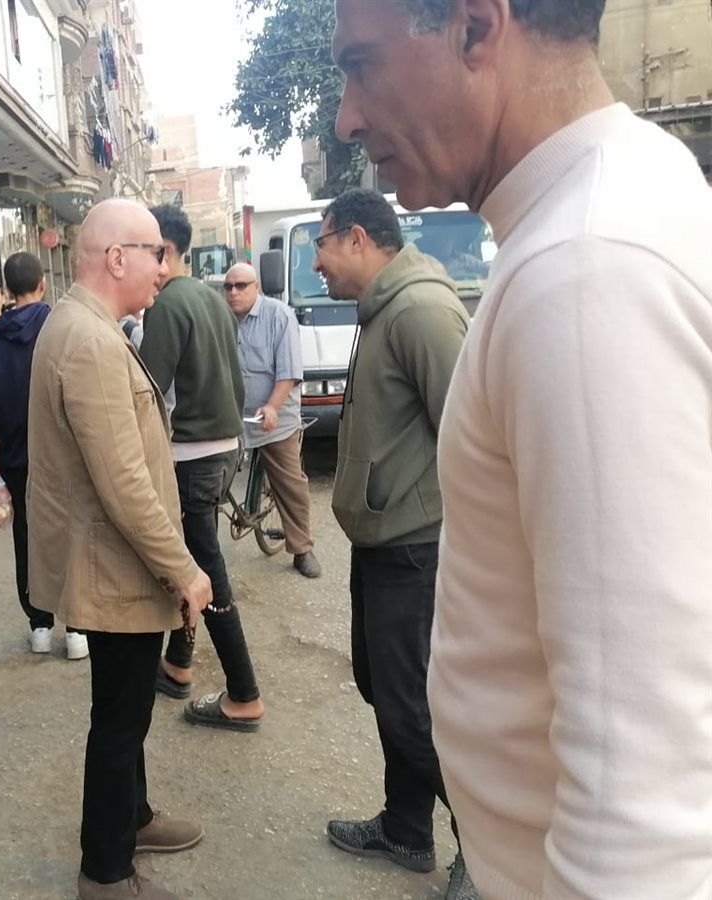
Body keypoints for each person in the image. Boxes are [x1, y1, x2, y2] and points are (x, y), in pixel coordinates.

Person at [332, 2, 712, 898]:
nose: (348, 116)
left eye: (361, 63)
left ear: (473, 28)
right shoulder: (615, 198)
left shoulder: (583, 271)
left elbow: (641, 794)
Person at [28, 199, 211, 900]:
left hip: (115, 561)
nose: (164, 268)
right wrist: (183, 569)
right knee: (119, 720)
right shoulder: (90, 340)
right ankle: (105, 872)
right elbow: (124, 482)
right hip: (116, 567)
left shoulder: (85, 325)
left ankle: (132, 818)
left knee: (125, 713)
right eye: (155, 253)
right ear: (116, 257)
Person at [309, 188, 470, 888]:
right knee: (386, 689)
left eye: (321, 245)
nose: (317, 263)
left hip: (416, 546)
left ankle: (489, 849)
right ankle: (406, 828)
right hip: (382, 541)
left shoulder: (420, 311)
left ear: (355, 238)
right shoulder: (382, 309)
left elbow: (473, 437)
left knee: (413, 708)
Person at [138, 203, 264, 733]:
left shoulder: (167, 305)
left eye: (143, 250)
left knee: (203, 571)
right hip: (223, 449)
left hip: (191, 454)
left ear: (163, 251)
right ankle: (178, 663)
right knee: (196, 560)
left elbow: (147, 392)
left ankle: (244, 693)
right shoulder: (212, 298)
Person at [0, 254, 87, 660]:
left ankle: (39, 625)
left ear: (6, 290)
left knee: (27, 537)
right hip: (64, 453)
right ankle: (77, 630)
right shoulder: (63, 325)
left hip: (16, 456)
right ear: (42, 284)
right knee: (71, 534)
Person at [222, 261, 321, 579]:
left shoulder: (279, 315)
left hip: (274, 414)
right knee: (211, 472)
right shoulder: (222, 318)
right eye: (228, 287)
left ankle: (301, 547)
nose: (234, 292)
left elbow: (289, 371)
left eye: (241, 286)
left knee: (289, 481)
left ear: (257, 287)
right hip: (236, 414)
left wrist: (273, 407)